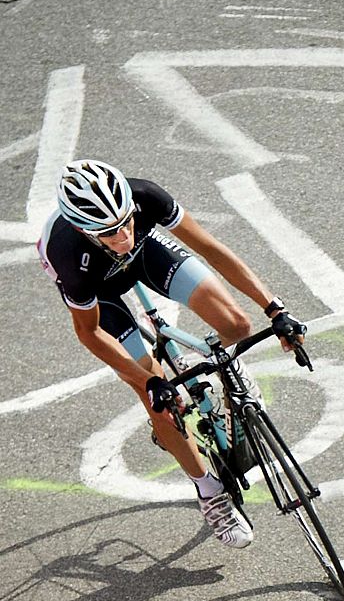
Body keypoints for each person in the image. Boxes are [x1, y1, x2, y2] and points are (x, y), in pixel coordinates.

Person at [37, 159, 308, 548]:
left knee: (237, 324)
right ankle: (210, 491)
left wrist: (275, 308)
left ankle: (233, 384)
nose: (124, 234)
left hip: (149, 257)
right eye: (110, 232)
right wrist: (147, 381)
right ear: (84, 229)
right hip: (101, 292)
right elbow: (90, 333)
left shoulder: (145, 196)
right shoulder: (68, 254)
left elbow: (211, 249)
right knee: (159, 399)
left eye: (127, 221)